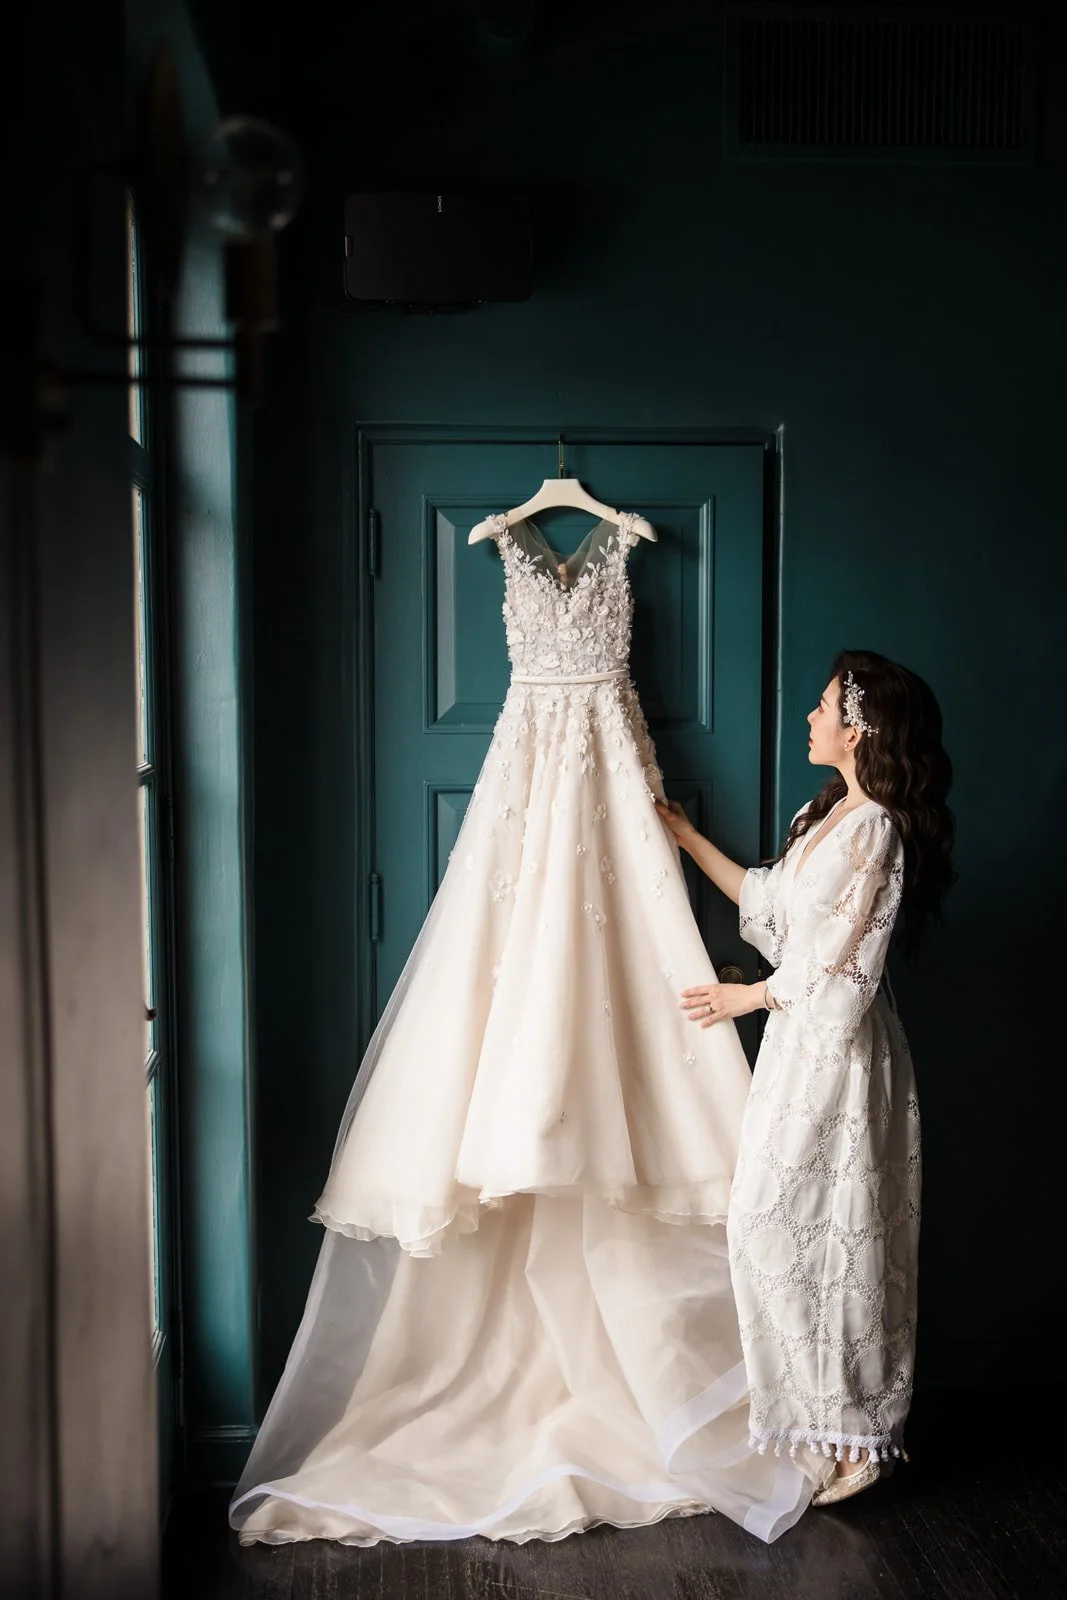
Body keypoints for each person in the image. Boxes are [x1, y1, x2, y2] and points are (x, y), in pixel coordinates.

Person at [656, 649, 955, 1506]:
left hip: (844, 1058)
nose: (810, 718)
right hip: (795, 1053)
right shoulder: (820, 813)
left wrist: (745, 998)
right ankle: (818, 1423)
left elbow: (838, 966)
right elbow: (764, 905)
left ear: (859, 728)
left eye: (823, 707)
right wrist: (683, 838)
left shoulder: (877, 833)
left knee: (838, 1231)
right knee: (770, 1228)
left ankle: (858, 1436)